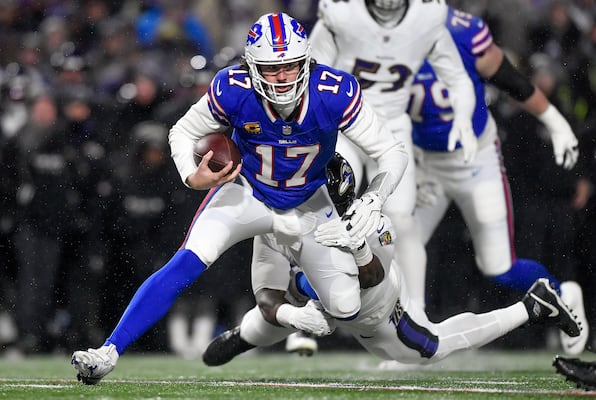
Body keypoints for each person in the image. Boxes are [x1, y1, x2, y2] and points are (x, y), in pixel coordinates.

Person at [71, 12, 408, 384]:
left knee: (345, 306)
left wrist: (374, 198)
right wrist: (191, 174)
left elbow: (392, 151)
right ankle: (108, 351)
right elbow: (183, 131)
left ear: (307, 61)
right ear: (252, 67)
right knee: (187, 260)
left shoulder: (334, 92)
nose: (281, 78)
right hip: (246, 192)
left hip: (310, 199)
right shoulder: (232, 87)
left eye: (290, 66)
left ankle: (298, 286)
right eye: (270, 69)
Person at [201, 153, 582, 367]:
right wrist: (290, 313)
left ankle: (534, 305)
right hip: (310, 301)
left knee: (427, 349)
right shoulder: (276, 221)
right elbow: (268, 294)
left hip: (372, 306)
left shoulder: (370, 220)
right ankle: (243, 337)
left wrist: (358, 247)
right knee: (265, 325)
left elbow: (369, 277)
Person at [405, 7, 587, 354]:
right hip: (423, 161)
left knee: (499, 266)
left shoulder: (462, 32)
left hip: (475, 159)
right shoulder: (372, 38)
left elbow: (511, 80)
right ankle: (408, 335)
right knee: (400, 247)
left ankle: (563, 296)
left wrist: (555, 121)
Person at [308, 0, 478, 310]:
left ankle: (415, 311)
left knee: (402, 220)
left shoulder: (428, 16)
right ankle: (311, 303)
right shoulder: (341, 13)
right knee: (325, 210)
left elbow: (457, 78)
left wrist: (464, 118)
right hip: (346, 125)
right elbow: (310, 76)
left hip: (391, 130)